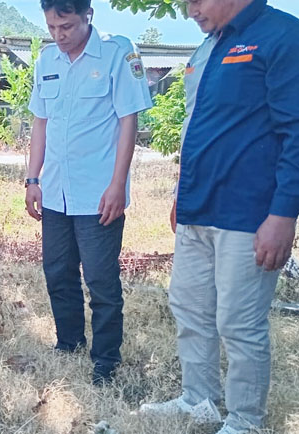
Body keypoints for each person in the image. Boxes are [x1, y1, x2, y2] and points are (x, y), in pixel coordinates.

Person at [138, 1, 299, 432]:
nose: (189, 10)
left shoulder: (283, 36)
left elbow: (295, 131)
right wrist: (180, 193)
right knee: (189, 307)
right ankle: (197, 401)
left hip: (249, 212)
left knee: (239, 323)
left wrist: (283, 214)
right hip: (197, 207)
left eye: (196, 0)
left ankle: (246, 421)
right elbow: (195, 125)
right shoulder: (208, 46)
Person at [24, 0, 152, 385]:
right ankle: (69, 342)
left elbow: (128, 123)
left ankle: (106, 359)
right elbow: (40, 124)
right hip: (56, 191)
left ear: (87, 17)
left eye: (67, 26)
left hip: (99, 193)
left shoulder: (118, 53)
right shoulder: (47, 60)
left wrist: (118, 185)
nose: (59, 35)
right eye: (52, 27)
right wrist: (33, 179)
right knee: (57, 271)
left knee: (100, 279)